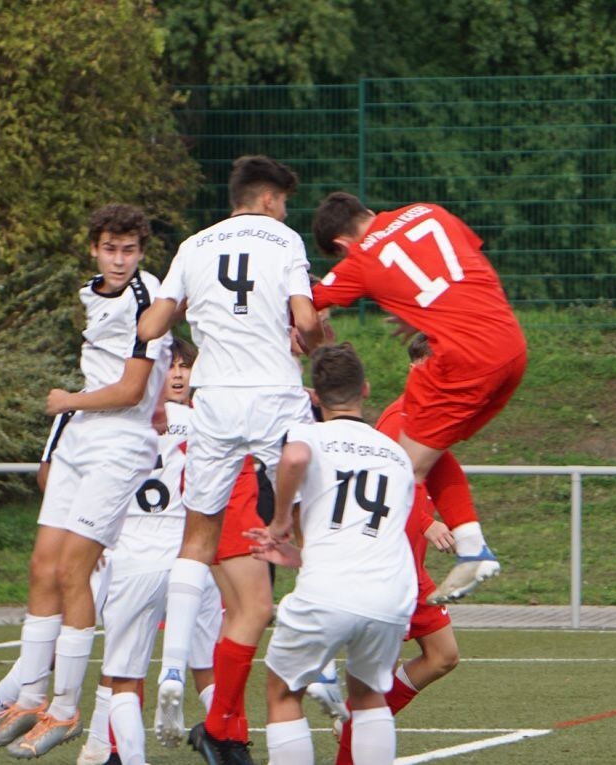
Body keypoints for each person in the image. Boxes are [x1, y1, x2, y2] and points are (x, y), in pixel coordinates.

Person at [0, 204, 171, 762]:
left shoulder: (147, 296)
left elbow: (131, 391)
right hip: (80, 437)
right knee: (42, 566)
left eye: (129, 250)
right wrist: (78, 411)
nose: (119, 259)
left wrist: (69, 400)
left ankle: (65, 706)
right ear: (94, 249)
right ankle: (30, 697)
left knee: (75, 570)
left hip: (118, 444)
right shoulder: (91, 292)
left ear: (142, 252)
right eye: (110, 249)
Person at [137, 155, 325, 764]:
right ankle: (321, 663)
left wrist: (174, 310)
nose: (285, 212)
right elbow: (304, 318)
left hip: (214, 398)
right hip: (274, 394)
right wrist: (313, 340)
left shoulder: (194, 245)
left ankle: (172, 671)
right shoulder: (284, 240)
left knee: (198, 537)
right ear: (269, 199)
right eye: (284, 202)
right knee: (314, 514)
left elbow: (153, 325)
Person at [310, 192, 525, 603]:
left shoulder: (362, 258)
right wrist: (423, 312)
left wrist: (312, 325)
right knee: (429, 448)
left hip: (463, 361)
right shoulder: (429, 211)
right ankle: (471, 547)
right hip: (511, 347)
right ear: (366, 212)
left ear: (340, 244)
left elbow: (309, 303)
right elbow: (459, 269)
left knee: (398, 468)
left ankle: (359, 577)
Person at [246, 343, 417, 765]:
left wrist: (280, 522)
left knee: (283, 691)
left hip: (329, 591)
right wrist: (303, 556)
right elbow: (372, 535)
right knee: (370, 695)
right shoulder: (396, 454)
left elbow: (294, 457)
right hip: (389, 592)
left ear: (314, 396)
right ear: (366, 388)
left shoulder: (310, 433)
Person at [323, 334, 474, 764]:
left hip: (411, 571)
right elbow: (381, 489)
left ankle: (356, 721)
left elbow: (438, 476)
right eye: (438, 364)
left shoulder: (430, 418)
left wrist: (464, 529)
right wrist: (428, 524)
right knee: (372, 684)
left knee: (443, 656)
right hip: (389, 567)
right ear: (417, 367)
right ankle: (355, 732)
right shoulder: (399, 419)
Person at [75, 337, 224, 765]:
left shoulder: (124, 423)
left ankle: (113, 751)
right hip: (191, 557)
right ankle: (227, 739)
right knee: (207, 663)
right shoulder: (204, 423)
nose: (177, 374)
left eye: (184, 366)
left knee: (121, 670)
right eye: (171, 366)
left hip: (133, 554)